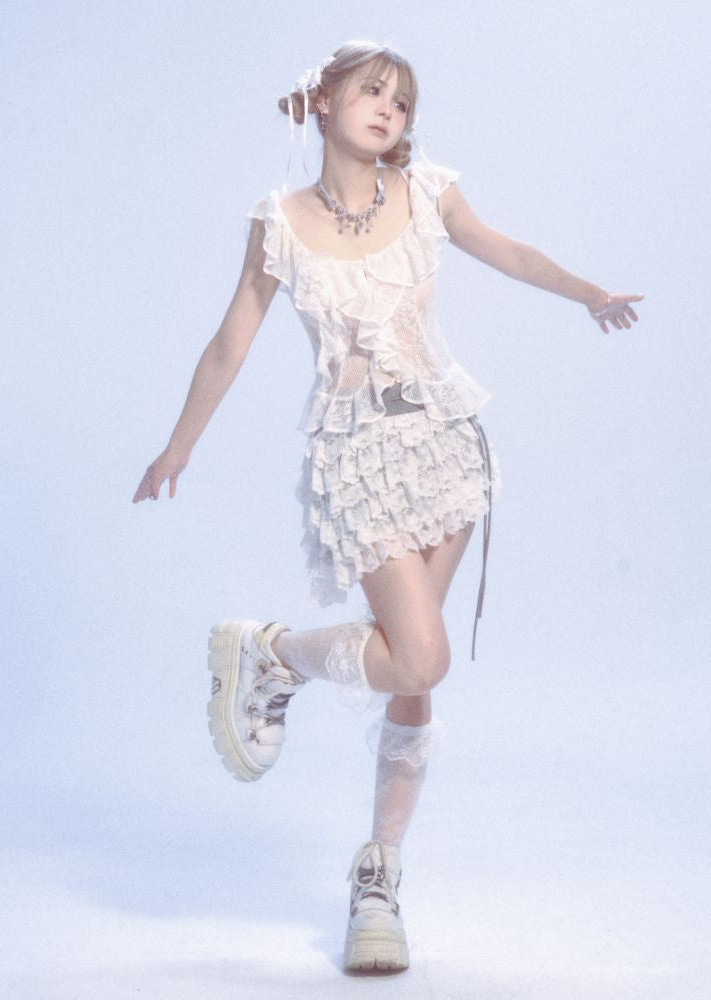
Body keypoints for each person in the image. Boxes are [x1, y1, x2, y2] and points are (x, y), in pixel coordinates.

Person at [133, 39, 643, 973]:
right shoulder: (280, 223)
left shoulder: (426, 193)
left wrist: (587, 294)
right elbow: (229, 342)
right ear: (323, 101)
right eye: (371, 92)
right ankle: (276, 652)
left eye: (401, 103)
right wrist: (180, 444)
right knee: (422, 653)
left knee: (414, 675)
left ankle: (379, 876)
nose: (388, 112)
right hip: (358, 461)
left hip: (449, 447)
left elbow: (509, 251)